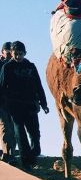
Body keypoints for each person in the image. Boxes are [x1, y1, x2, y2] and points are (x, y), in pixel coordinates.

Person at [0, 41, 49, 169]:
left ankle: (33, 155)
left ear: (25, 53)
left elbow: (39, 86)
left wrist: (44, 103)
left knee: (34, 134)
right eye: (15, 54)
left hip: (31, 105)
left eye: (20, 54)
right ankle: (26, 161)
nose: (18, 57)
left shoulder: (31, 67)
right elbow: (1, 88)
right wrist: (4, 105)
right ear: (11, 53)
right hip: (14, 106)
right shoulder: (7, 68)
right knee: (20, 134)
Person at [0, 42, 16, 163]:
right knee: (5, 127)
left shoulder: (15, 66)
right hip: (2, 102)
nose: (10, 54)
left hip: (12, 102)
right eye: (8, 52)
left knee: (12, 128)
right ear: (2, 52)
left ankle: (10, 154)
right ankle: (7, 155)